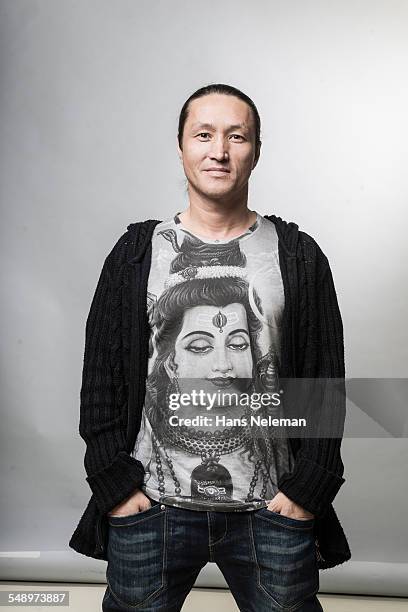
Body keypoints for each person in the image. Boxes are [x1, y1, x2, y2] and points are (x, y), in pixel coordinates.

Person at [69, 83, 351, 611]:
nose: (219, 151)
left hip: (272, 511)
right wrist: (115, 485)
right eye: (204, 135)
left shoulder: (298, 255)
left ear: (256, 151)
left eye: (236, 136)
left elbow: (323, 386)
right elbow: (101, 375)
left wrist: (306, 490)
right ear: (181, 147)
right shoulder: (135, 255)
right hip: (150, 509)